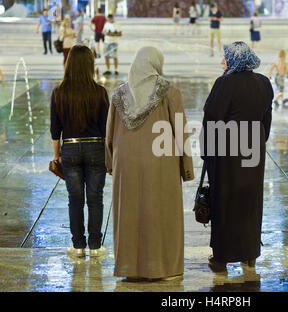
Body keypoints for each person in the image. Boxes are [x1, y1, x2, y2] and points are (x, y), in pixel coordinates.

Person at [105, 47, 194, 281]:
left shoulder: (119, 94)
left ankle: (128, 268)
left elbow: (110, 135)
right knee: (161, 214)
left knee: (129, 215)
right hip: (161, 162)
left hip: (126, 163)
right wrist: (187, 168)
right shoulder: (169, 92)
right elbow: (180, 132)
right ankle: (164, 268)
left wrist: (111, 164)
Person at [200, 41, 273, 273]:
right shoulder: (263, 83)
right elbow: (266, 120)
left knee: (225, 202)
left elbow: (211, 119)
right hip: (253, 152)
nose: (223, 61)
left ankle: (221, 257)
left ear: (235, 60)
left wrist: (206, 152)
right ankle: (249, 255)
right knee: (250, 202)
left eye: (226, 57)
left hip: (227, 156)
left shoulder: (225, 83)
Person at [50, 45, 109, 258]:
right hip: (96, 148)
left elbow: (55, 130)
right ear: (89, 66)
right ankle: (95, 246)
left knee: (75, 199)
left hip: (71, 148)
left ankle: (78, 246)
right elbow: (106, 129)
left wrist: (57, 155)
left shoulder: (59, 92)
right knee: (95, 198)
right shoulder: (100, 92)